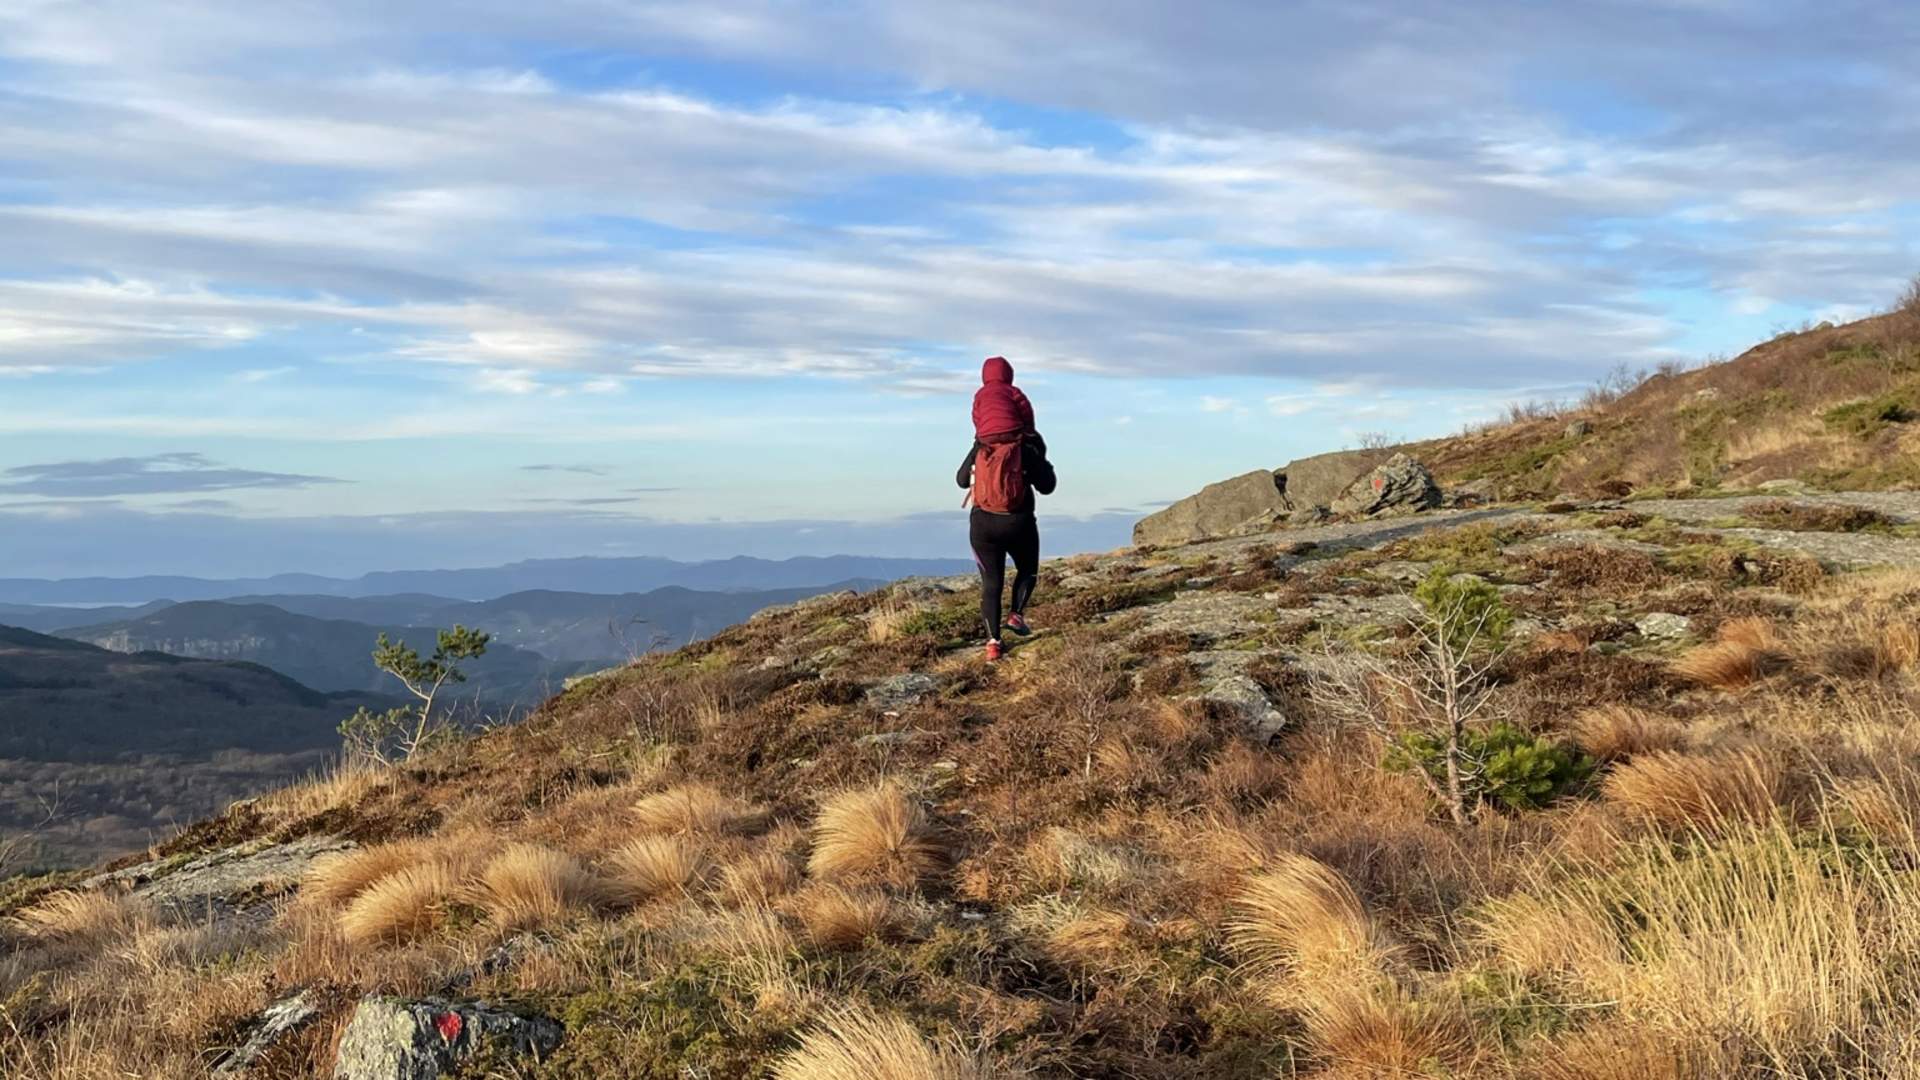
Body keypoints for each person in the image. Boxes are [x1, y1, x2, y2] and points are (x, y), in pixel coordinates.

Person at [957, 356, 1055, 661]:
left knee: (991, 585)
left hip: (983, 525)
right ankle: (1016, 615)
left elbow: (961, 481)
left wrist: (977, 449)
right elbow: (1048, 485)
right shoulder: (1024, 447)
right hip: (1019, 522)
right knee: (1027, 569)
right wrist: (1038, 456)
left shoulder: (980, 448)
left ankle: (993, 644)